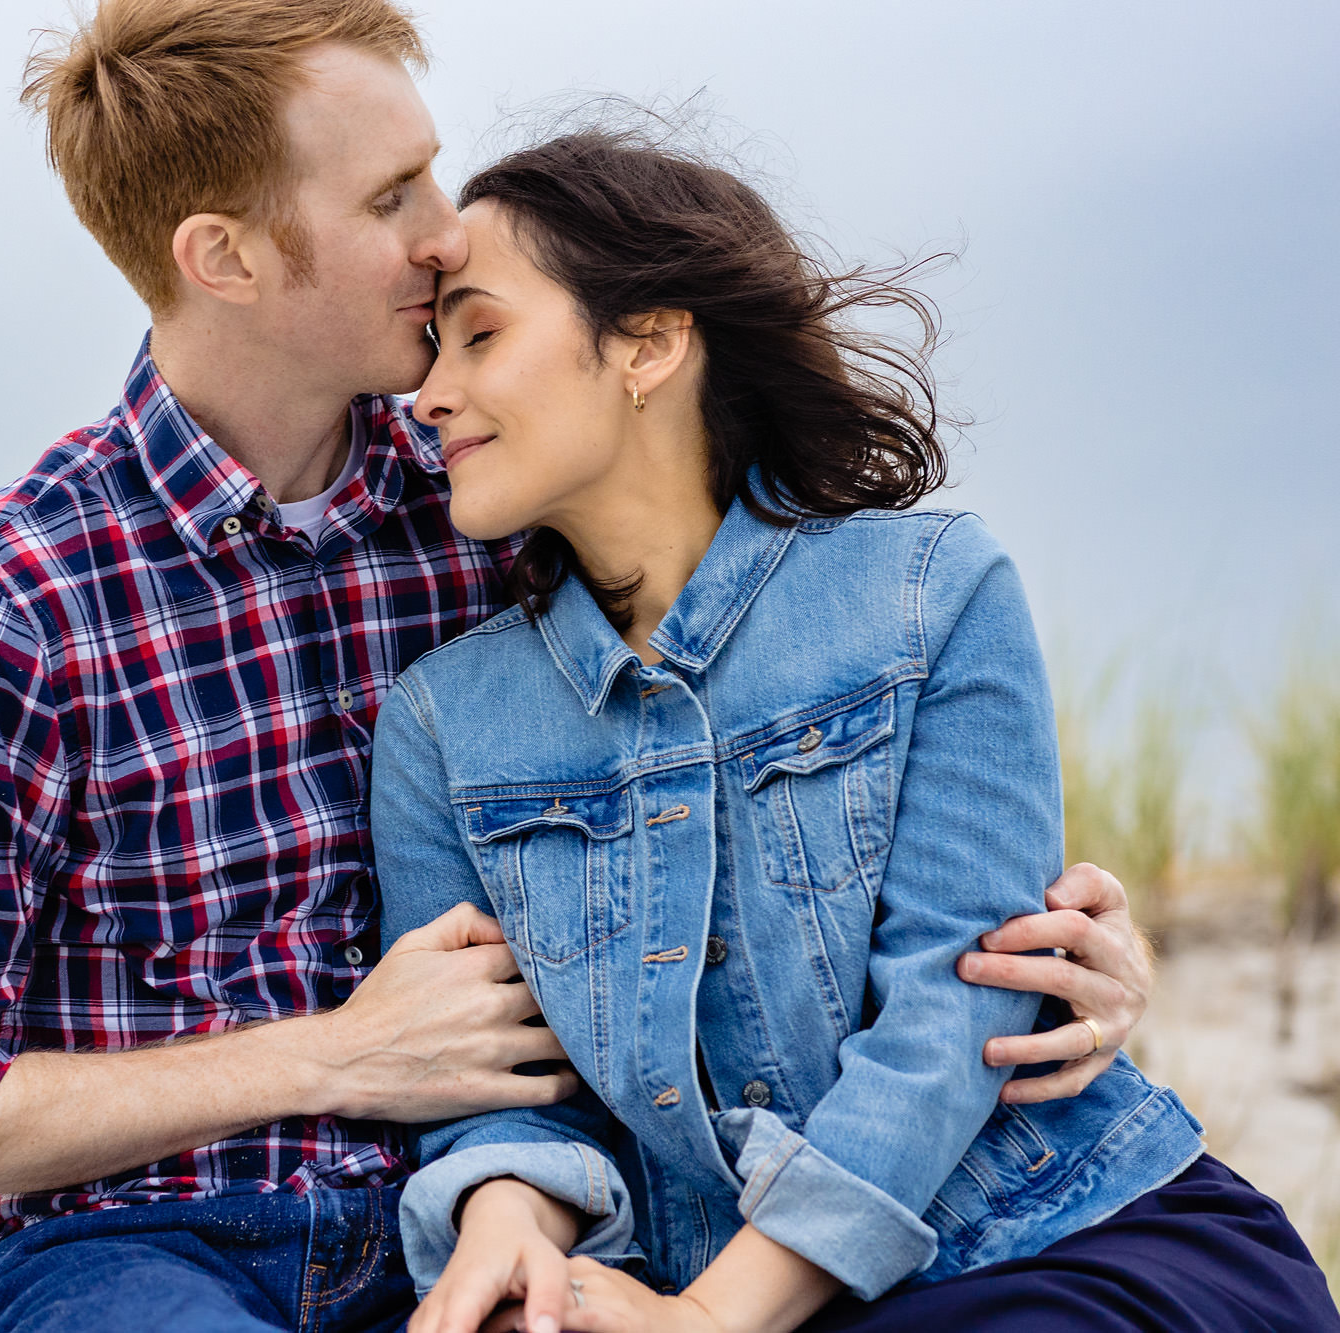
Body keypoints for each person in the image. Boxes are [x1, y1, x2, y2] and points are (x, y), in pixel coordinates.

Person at [0, 4, 1164, 1330]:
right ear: (224, 257)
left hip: (490, 1219)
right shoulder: (6, 607)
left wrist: (1046, 947)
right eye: (391, 198)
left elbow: (760, 723)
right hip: (141, 1251)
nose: (444, 231)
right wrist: (331, 1054)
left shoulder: (488, 501)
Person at [373, 125, 1340, 1333]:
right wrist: (510, 1230)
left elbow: (958, 1005)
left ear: (648, 342)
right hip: (672, 1287)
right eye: (428, 351)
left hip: (1037, 1238)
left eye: (479, 333)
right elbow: (494, 1082)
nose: (428, 395)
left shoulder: (934, 593)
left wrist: (714, 1320)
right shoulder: (439, 725)